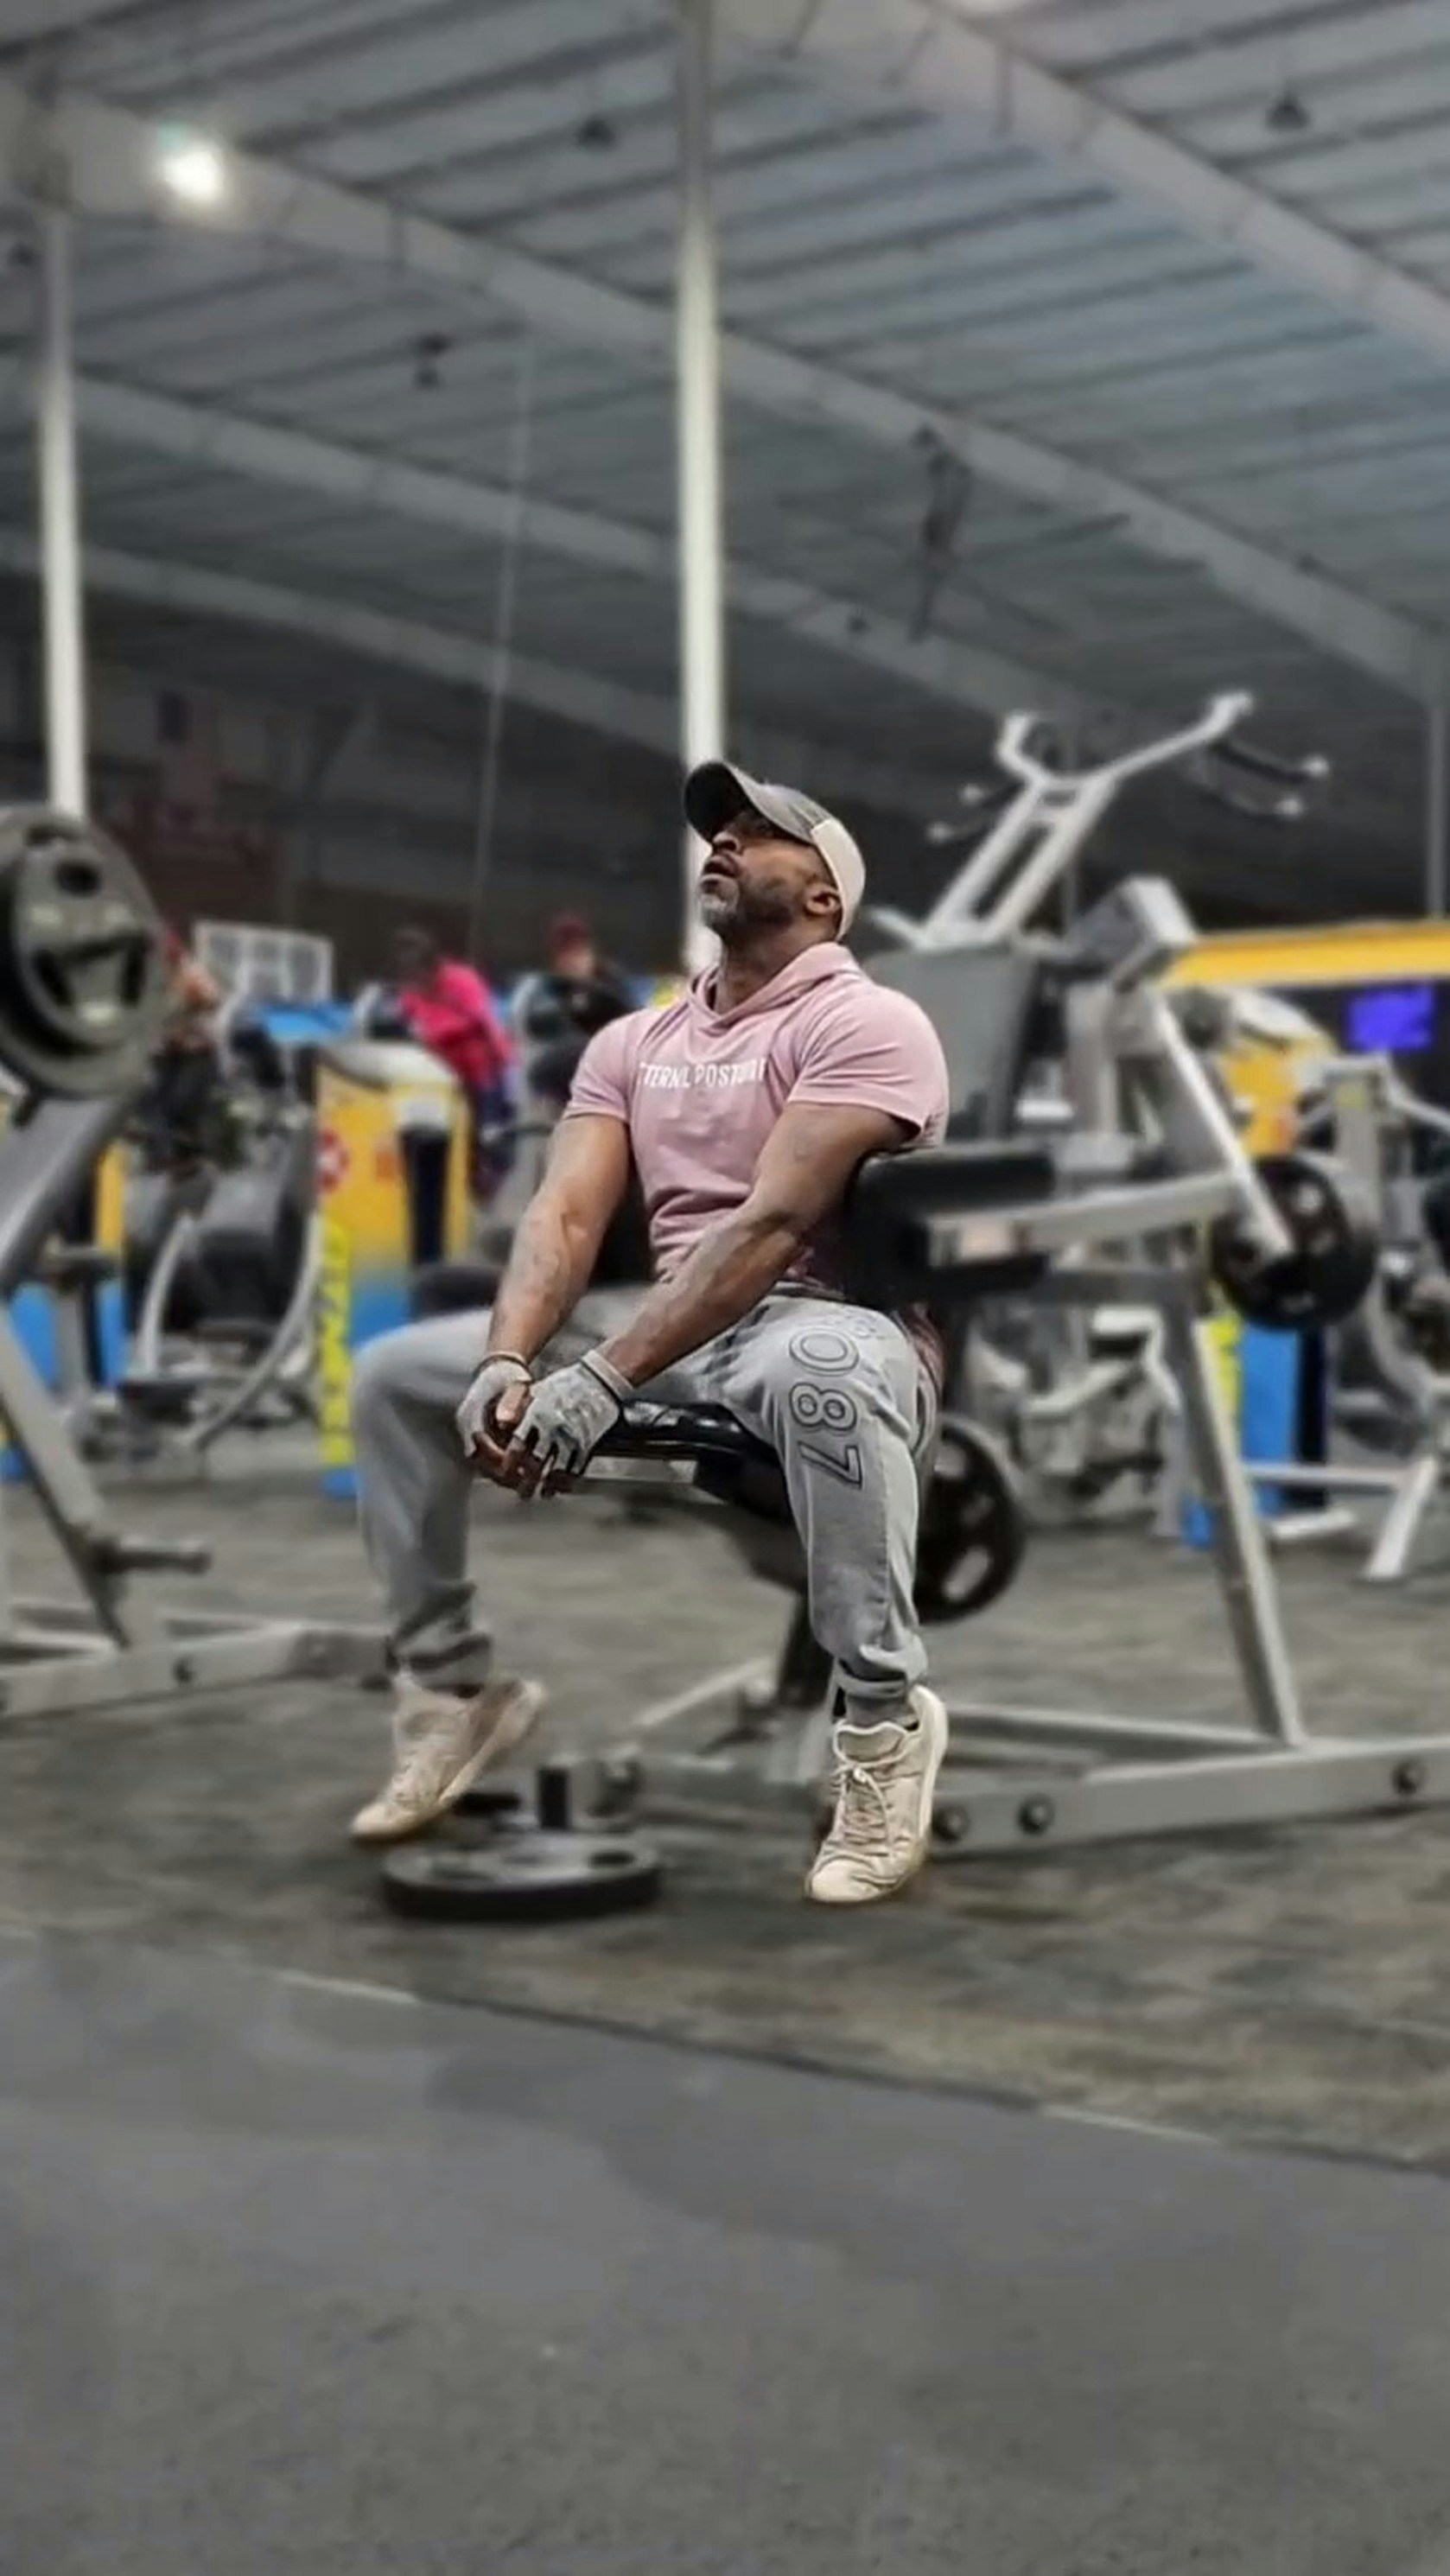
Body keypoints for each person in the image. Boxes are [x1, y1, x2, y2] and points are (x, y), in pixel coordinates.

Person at [352, 768, 951, 1906]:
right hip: (660, 1324)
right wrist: (504, 1358)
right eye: (718, 832)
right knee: (396, 1376)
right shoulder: (635, 1038)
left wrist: (597, 1380)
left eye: (761, 836)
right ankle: (448, 1691)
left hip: (819, 1320)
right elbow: (566, 1211)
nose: (724, 842)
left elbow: (775, 1221)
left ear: (825, 899)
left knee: (824, 1370)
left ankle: (880, 1725)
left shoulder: (867, 1021)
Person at [392, 926, 515, 1193]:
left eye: (420, 976)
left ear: (433, 968)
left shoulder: (462, 982)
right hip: (439, 1076)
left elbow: (483, 1022)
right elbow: (403, 1022)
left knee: (489, 1134)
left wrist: (504, 1067)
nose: (416, 984)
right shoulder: (412, 993)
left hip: (479, 1068)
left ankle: (489, 1179)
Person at [512, 913, 637, 1112]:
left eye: (578, 952)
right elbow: (538, 1026)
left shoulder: (611, 984)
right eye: (566, 954)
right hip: (558, 1079)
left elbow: (632, 1023)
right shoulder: (542, 989)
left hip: (609, 1076)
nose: (573, 961)